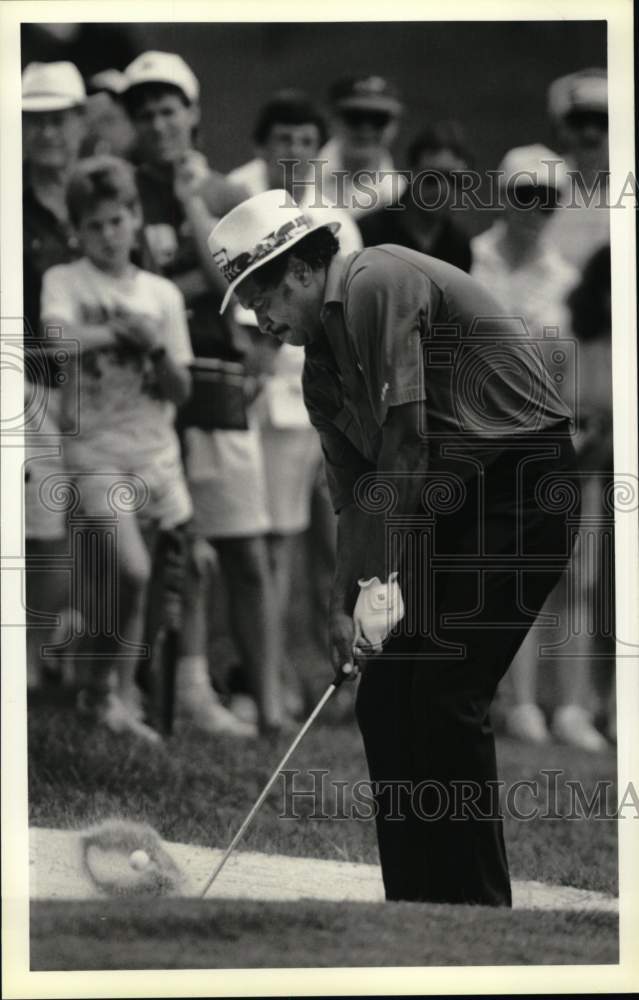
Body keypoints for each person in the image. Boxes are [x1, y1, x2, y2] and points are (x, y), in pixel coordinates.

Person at [208, 190, 579, 906]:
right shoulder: (318, 369)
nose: (261, 320)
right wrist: (345, 609)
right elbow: (355, 499)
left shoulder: (376, 279)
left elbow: (405, 442)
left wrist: (385, 579)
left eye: (261, 298)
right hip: (448, 498)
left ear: (298, 270)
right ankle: (414, 905)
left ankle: (475, 910)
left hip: (520, 484)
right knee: (383, 701)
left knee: (445, 694)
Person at [121, 51, 277, 736]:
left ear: (192, 113)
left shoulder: (221, 194)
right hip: (153, 385)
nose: (158, 124)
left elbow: (239, 287)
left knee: (241, 545)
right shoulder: (120, 190)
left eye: (168, 110)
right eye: (145, 113)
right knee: (172, 541)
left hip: (218, 381)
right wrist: (182, 285)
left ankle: (271, 703)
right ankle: (183, 686)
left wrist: (189, 205)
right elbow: (127, 290)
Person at [40, 155, 194, 742]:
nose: (107, 235)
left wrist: (154, 351)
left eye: (117, 221)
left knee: (148, 591)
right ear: (78, 228)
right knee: (131, 571)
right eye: (95, 224)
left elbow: (181, 387)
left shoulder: (162, 294)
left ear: (136, 218)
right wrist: (118, 333)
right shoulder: (66, 280)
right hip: (95, 453)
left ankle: (114, 695)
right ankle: (100, 688)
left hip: (157, 453)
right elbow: (55, 345)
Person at [228, 90, 362, 714]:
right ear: (263, 144)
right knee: (274, 546)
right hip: (274, 408)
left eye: (307, 141)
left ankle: (342, 680)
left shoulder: (339, 218)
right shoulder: (242, 204)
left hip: (333, 405)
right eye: (283, 139)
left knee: (335, 549)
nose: (295, 152)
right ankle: (272, 682)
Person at [471, 144, 606, 751]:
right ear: (505, 196)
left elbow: (577, 370)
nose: (536, 209)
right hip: (488, 443)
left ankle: (571, 708)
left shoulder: (567, 280)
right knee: (513, 576)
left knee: (574, 579)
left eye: (547, 198)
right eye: (525, 195)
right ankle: (519, 703)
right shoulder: (472, 263)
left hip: (561, 443)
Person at [22, 61, 87, 690]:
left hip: (107, 392)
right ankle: (33, 663)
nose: (45, 132)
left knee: (92, 528)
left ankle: (74, 660)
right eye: (32, 119)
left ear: (80, 121)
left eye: (57, 118)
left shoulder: (100, 194)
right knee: (41, 530)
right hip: (30, 385)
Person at [359, 121, 473, 271]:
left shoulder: (460, 247)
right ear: (411, 175)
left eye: (454, 180)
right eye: (431, 178)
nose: (442, 190)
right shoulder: (370, 233)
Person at [545, 68, 609, 269]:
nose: (590, 134)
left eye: (602, 123)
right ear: (563, 129)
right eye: (580, 123)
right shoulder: (544, 183)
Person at [320, 75, 406, 217]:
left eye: (379, 119)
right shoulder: (301, 174)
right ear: (331, 119)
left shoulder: (399, 193)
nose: (366, 129)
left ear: (394, 126)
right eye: (354, 117)